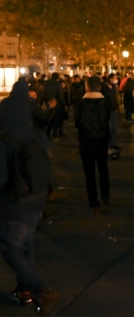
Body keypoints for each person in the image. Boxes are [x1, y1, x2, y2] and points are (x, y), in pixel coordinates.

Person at [0, 79, 60, 312]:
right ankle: (24, 290)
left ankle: (39, 288)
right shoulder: (38, 136)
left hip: (15, 203)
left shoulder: (4, 140)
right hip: (37, 198)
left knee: (10, 246)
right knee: (26, 243)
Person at [74, 76, 112, 215]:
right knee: (103, 169)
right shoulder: (106, 103)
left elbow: (77, 123)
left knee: (89, 173)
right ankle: (106, 197)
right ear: (100, 87)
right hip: (102, 140)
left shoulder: (80, 104)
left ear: (87, 87)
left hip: (86, 141)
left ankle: (93, 201)